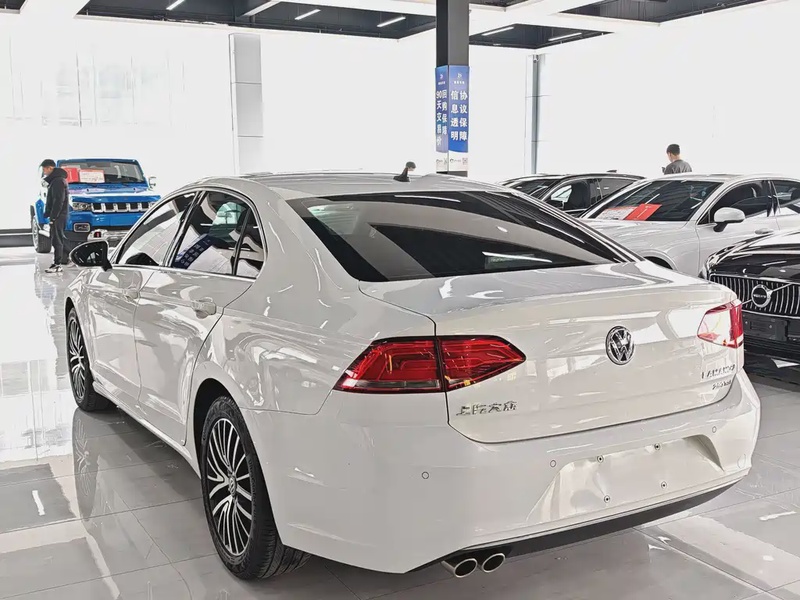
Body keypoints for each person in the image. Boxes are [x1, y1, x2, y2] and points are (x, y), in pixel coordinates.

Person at [40, 159, 70, 273]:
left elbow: (58, 201)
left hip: (58, 215)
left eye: (45, 169)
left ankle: (57, 264)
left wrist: (53, 216)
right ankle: (67, 259)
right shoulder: (57, 180)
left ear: (50, 168)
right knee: (59, 239)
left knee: (56, 240)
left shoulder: (58, 181)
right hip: (59, 215)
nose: (44, 172)